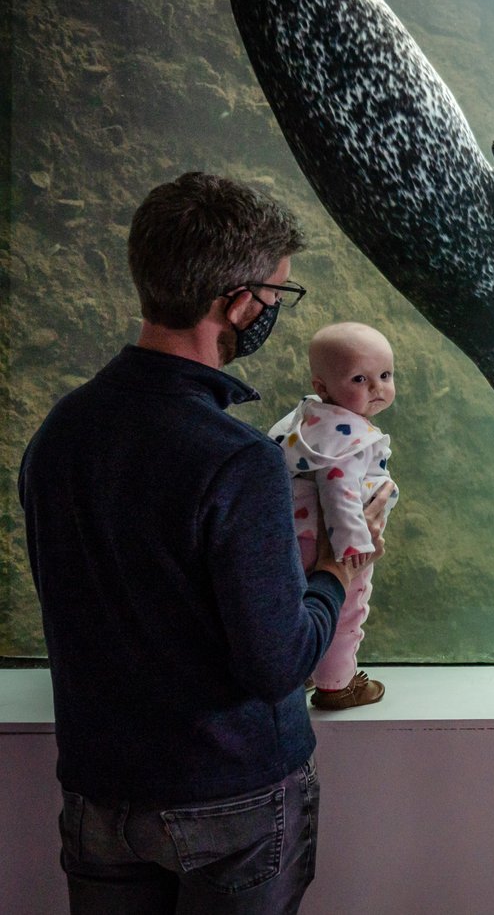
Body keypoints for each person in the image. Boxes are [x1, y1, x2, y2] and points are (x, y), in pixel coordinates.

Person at [19, 171, 391, 914]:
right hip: (231, 800)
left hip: (98, 793)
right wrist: (332, 571)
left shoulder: (60, 432)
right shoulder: (236, 457)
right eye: (276, 296)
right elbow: (276, 661)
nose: (271, 313)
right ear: (237, 303)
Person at [270, 321, 399, 708]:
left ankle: (307, 670)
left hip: (293, 537)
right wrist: (352, 546)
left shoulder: (307, 420)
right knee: (347, 610)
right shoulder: (349, 438)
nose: (377, 388)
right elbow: (338, 487)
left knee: (301, 604)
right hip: (332, 539)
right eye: (360, 379)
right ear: (324, 386)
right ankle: (337, 684)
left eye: (385, 375)